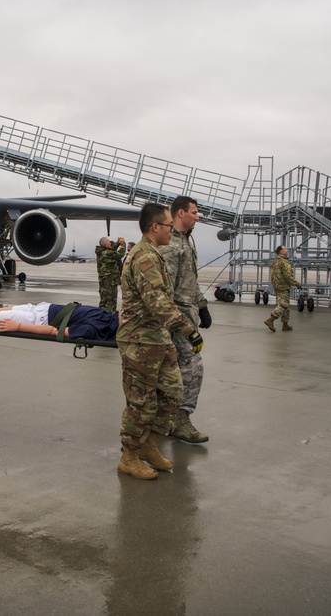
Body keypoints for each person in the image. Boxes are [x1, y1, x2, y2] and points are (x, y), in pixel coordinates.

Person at [116, 202, 202, 480]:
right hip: (140, 341)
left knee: (172, 393)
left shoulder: (154, 253)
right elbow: (159, 303)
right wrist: (189, 330)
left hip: (159, 339)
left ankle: (149, 446)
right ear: (156, 227)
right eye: (167, 225)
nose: (170, 230)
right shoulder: (144, 257)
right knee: (141, 403)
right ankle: (129, 457)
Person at [159, 196, 211, 444]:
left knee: (178, 372)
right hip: (177, 322)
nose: (197, 216)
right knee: (192, 370)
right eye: (194, 212)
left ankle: (169, 421)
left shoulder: (187, 242)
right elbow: (164, 292)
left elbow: (190, 280)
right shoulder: (171, 245)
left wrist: (202, 306)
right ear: (181, 213)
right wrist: (181, 325)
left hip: (188, 316)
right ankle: (179, 421)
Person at [264, 245, 302, 332]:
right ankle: (271, 319)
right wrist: (297, 284)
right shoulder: (284, 262)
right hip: (283, 286)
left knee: (286, 306)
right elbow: (288, 276)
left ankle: (285, 325)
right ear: (281, 251)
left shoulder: (275, 262)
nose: (286, 250)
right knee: (283, 304)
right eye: (285, 249)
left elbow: (273, 275)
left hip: (277, 286)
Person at [95, 236, 126, 312]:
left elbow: (111, 250)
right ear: (106, 244)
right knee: (111, 300)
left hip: (103, 281)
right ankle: (109, 317)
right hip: (110, 281)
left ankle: (101, 316)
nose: (110, 243)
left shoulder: (101, 252)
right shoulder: (108, 253)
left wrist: (117, 243)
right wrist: (123, 243)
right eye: (109, 242)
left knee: (103, 300)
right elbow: (120, 254)